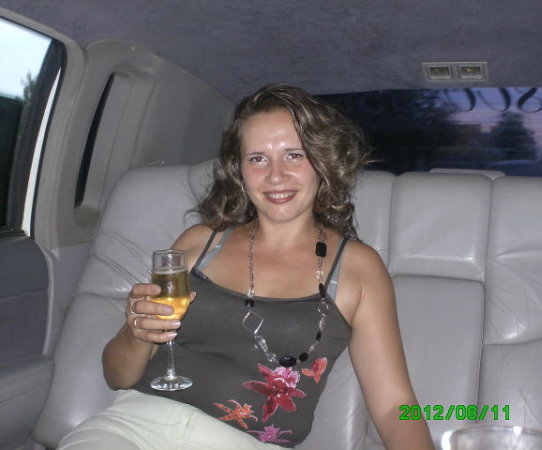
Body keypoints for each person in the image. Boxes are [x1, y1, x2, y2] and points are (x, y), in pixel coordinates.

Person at [58, 84, 434, 449]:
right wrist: (137, 332)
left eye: (294, 155)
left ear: (323, 162)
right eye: (257, 158)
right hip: (135, 427)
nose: (275, 175)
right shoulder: (198, 244)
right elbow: (117, 376)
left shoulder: (358, 269)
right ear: (239, 170)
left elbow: (394, 405)